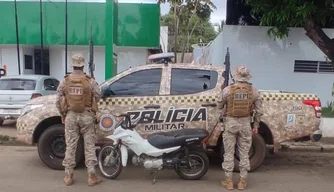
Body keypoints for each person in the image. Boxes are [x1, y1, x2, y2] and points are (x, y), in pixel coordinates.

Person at [55, 53, 102, 186]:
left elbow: (58, 100)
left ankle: (68, 176)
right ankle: (91, 176)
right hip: (87, 116)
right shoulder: (90, 81)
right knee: (89, 146)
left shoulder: (65, 81)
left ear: (73, 65)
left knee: (70, 146)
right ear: (83, 65)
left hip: (71, 115)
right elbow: (98, 96)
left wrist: (62, 115)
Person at [217, 65, 263, 190]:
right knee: (244, 153)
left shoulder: (228, 90)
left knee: (229, 153)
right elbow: (259, 111)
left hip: (230, 123)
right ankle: (242, 182)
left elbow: (219, 105)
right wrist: (256, 126)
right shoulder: (254, 91)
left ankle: (229, 181)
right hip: (245, 124)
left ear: (235, 75)